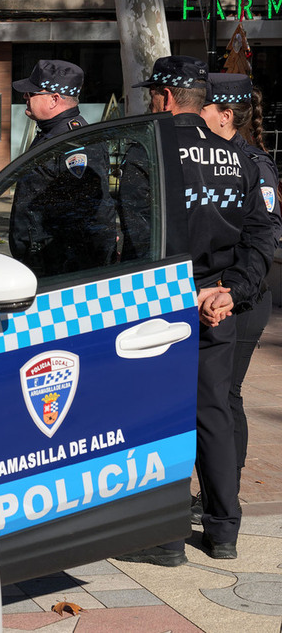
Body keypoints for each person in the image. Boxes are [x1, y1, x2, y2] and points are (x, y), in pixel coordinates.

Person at [115, 56, 276, 567]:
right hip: (217, 302)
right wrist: (229, 292)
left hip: (165, 299)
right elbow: (260, 236)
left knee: (164, 414)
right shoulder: (240, 158)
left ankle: (165, 539)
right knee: (214, 411)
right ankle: (223, 531)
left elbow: (141, 237)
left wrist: (186, 293)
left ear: (164, 98)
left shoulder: (152, 150)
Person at [193, 73, 282, 520]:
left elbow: (264, 237)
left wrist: (229, 290)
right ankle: (218, 491)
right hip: (223, 296)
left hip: (243, 300)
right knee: (220, 396)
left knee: (226, 396)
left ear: (225, 116)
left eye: (205, 108)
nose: (198, 115)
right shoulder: (212, 157)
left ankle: (226, 492)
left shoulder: (253, 163)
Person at [8, 60, 117, 275]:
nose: (25, 97)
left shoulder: (74, 142)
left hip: (61, 268)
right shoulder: (51, 134)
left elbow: (95, 214)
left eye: (31, 93)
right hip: (42, 260)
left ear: (54, 99)